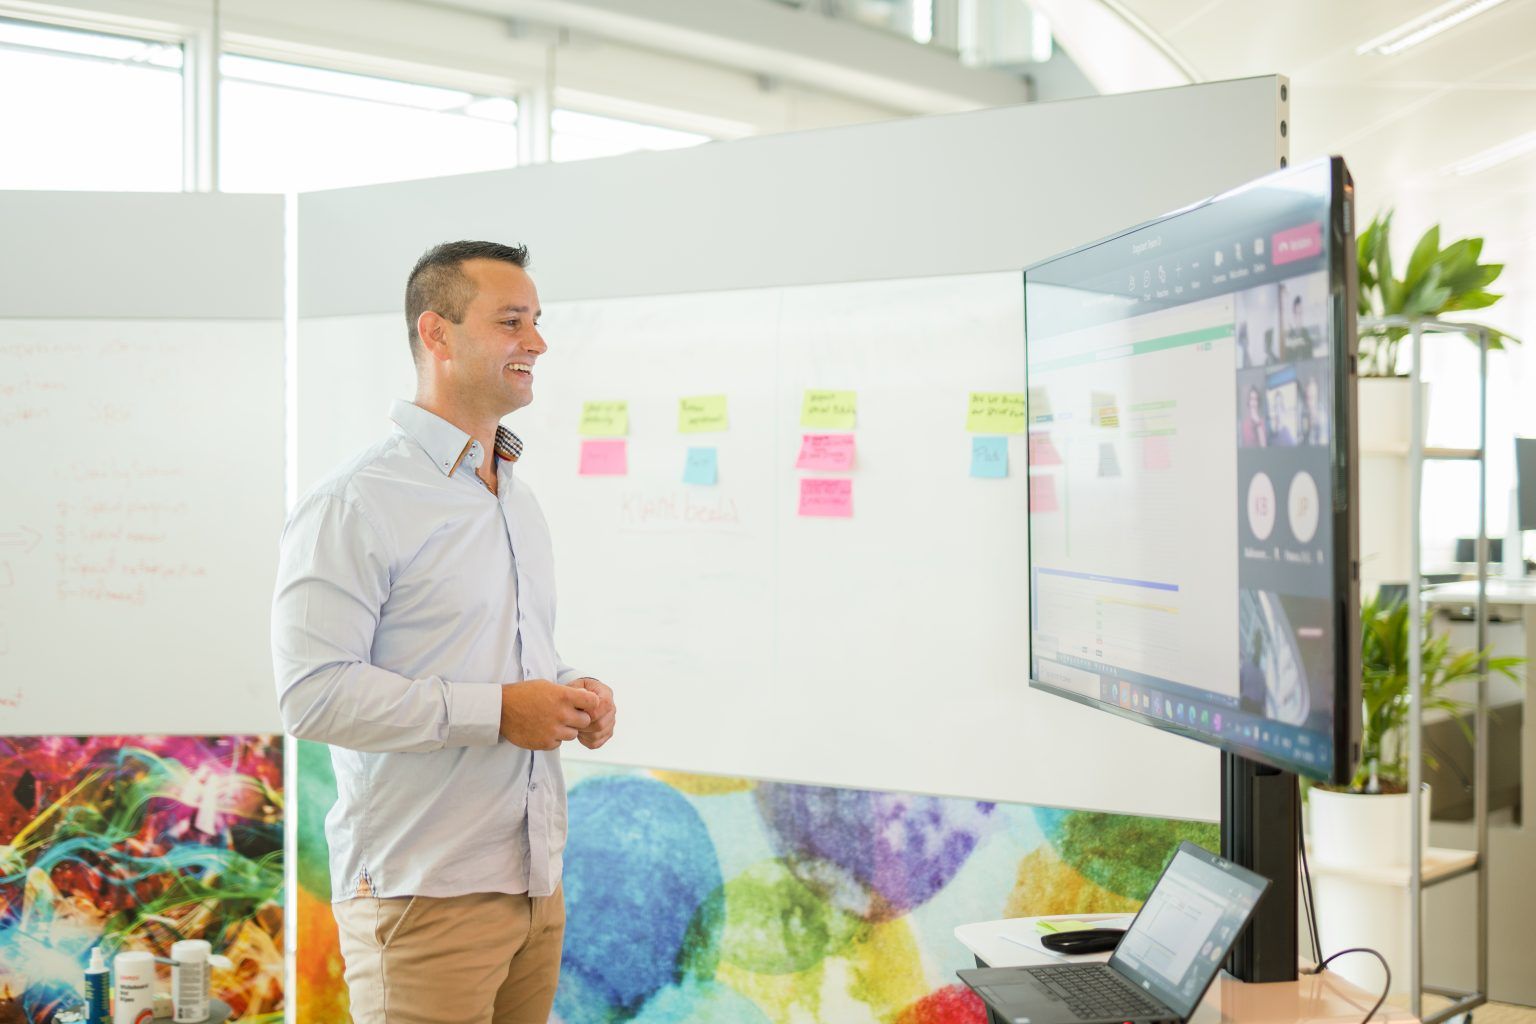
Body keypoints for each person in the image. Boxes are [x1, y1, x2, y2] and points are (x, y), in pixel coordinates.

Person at [271, 240, 616, 1024]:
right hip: (422, 896)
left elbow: (504, 654)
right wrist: (500, 712)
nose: (537, 342)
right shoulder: (356, 502)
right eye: (511, 321)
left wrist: (571, 693)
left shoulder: (513, 494)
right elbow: (312, 695)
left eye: (536, 321)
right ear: (437, 334)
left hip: (532, 882)